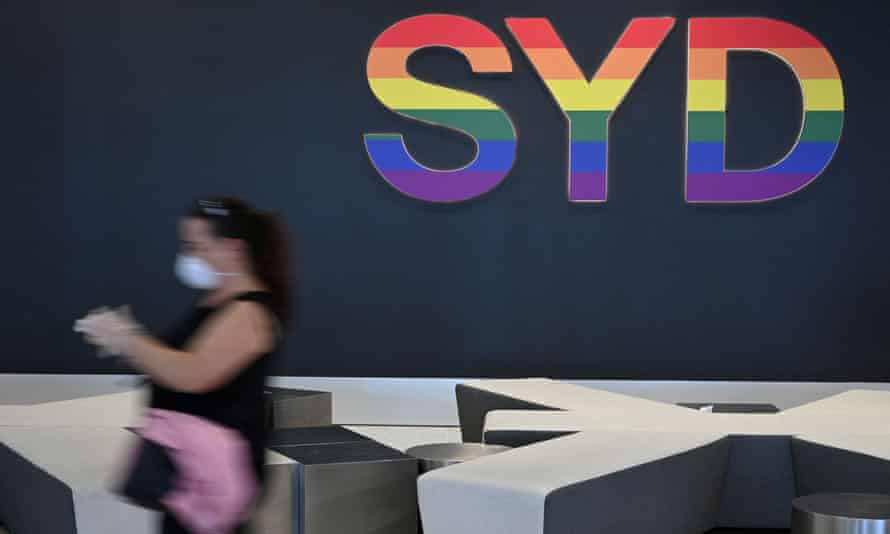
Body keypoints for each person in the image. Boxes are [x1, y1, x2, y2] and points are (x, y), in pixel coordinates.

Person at [75, 197, 293, 534]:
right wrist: (132, 344)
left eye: (195, 246)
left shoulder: (249, 313)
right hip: (189, 473)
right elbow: (177, 363)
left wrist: (129, 339)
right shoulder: (216, 302)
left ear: (232, 249)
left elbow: (192, 375)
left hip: (213, 478)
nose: (188, 256)